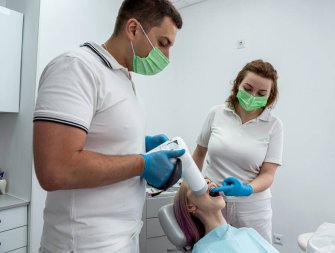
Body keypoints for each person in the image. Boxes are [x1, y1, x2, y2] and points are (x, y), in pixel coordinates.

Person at [33, 1, 184, 252]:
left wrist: (140, 143)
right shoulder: (77, 67)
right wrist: (142, 163)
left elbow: (100, 139)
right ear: (134, 29)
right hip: (83, 245)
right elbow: (55, 169)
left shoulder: (122, 77)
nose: (167, 57)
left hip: (122, 240)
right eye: (163, 43)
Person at [192, 59, 283, 243]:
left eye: (261, 93)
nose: (253, 95)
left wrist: (247, 189)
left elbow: (268, 174)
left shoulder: (274, 126)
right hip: (213, 205)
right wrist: (193, 187)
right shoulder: (216, 113)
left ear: (270, 96)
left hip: (252, 209)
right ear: (237, 84)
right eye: (248, 88)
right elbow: (199, 154)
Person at [173, 180, 279, 253]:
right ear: (190, 206)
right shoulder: (203, 250)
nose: (208, 182)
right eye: (197, 185)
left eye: (207, 180)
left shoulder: (248, 232)